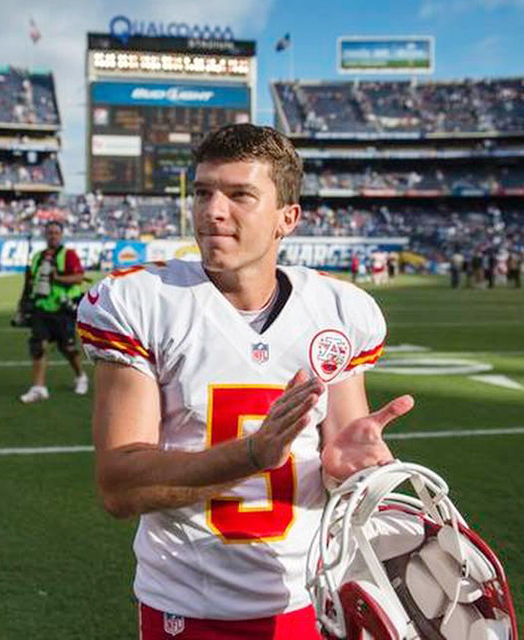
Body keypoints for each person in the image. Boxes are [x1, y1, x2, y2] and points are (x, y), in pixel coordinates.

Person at [78, 124, 414, 639]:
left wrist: (352, 473)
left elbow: (342, 455)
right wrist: (253, 454)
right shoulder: (141, 303)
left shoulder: (339, 312)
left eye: (239, 195)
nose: (213, 210)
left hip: (307, 600)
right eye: (203, 192)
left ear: (288, 218)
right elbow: (119, 488)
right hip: (187, 608)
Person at [19, 221, 89, 403]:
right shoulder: (37, 257)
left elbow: (79, 277)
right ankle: (38, 387)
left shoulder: (69, 255)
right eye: (49, 232)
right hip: (41, 308)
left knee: (67, 347)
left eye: (56, 232)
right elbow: (29, 282)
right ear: (45, 235)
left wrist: (57, 277)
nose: (53, 235)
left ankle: (80, 375)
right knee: (38, 346)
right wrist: (23, 305)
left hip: (62, 309)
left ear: (61, 234)